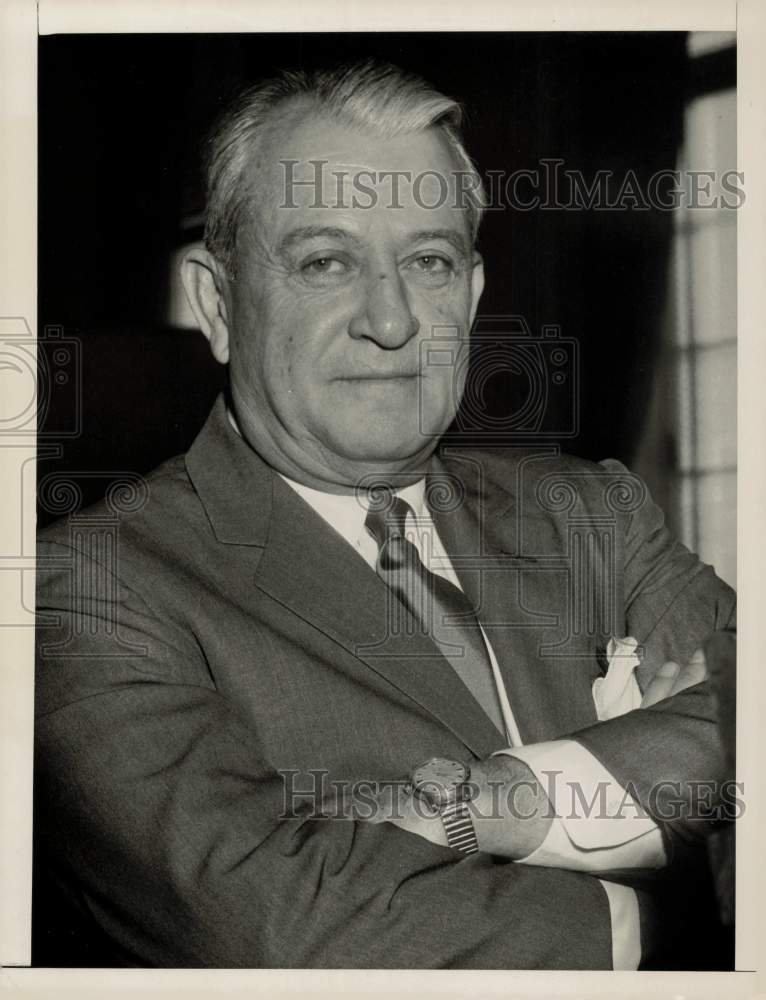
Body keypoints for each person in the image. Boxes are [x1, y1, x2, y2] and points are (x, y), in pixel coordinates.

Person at [34, 61, 736, 970]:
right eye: (327, 262)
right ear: (218, 303)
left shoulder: (591, 513)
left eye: (429, 260)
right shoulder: (92, 589)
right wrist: (668, 913)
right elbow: (279, 927)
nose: (393, 319)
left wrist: (491, 804)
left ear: (473, 297)